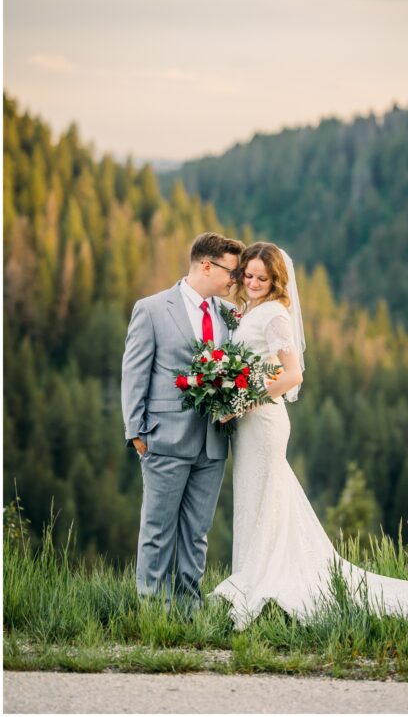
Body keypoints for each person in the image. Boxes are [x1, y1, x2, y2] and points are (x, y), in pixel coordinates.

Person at [209, 241, 408, 629]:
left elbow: (293, 374)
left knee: (265, 495)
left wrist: (243, 402)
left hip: (263, 421)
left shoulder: (275, 314)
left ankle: (262, 580)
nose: (254, 282)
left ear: (276, 280)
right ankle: (253, 573)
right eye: (249, 275)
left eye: (263, 277)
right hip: (248, 423)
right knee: (255, 498)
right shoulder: (249, 312)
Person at [121, 231, 243, 610]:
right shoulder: (153, 309)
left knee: (196, 533)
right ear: (206, 265)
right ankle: (152, 610)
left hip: (212, 443)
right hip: (164, 439)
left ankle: (190, 610)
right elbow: (134, 373)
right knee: (157, 531)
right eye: (231, 272)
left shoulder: (226, 316)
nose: (234, 281)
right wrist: (136, 432)